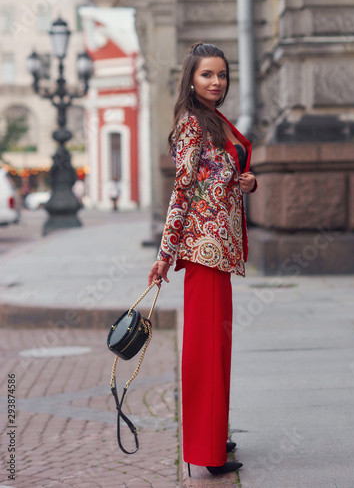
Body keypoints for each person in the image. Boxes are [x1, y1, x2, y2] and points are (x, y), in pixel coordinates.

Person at [148, 42, 257, 476]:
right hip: (203, 253)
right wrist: (163, 254)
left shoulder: (214, 120)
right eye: (207, 75)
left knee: (216, 349)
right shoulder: (192, 124)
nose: (216, 82)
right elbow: (182, 191)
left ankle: (211, 437)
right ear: (191, 79)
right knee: (206, 352)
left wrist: (245, 183)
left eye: (222, 75)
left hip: (219, 251)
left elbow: (218, 177)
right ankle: (209, 455)